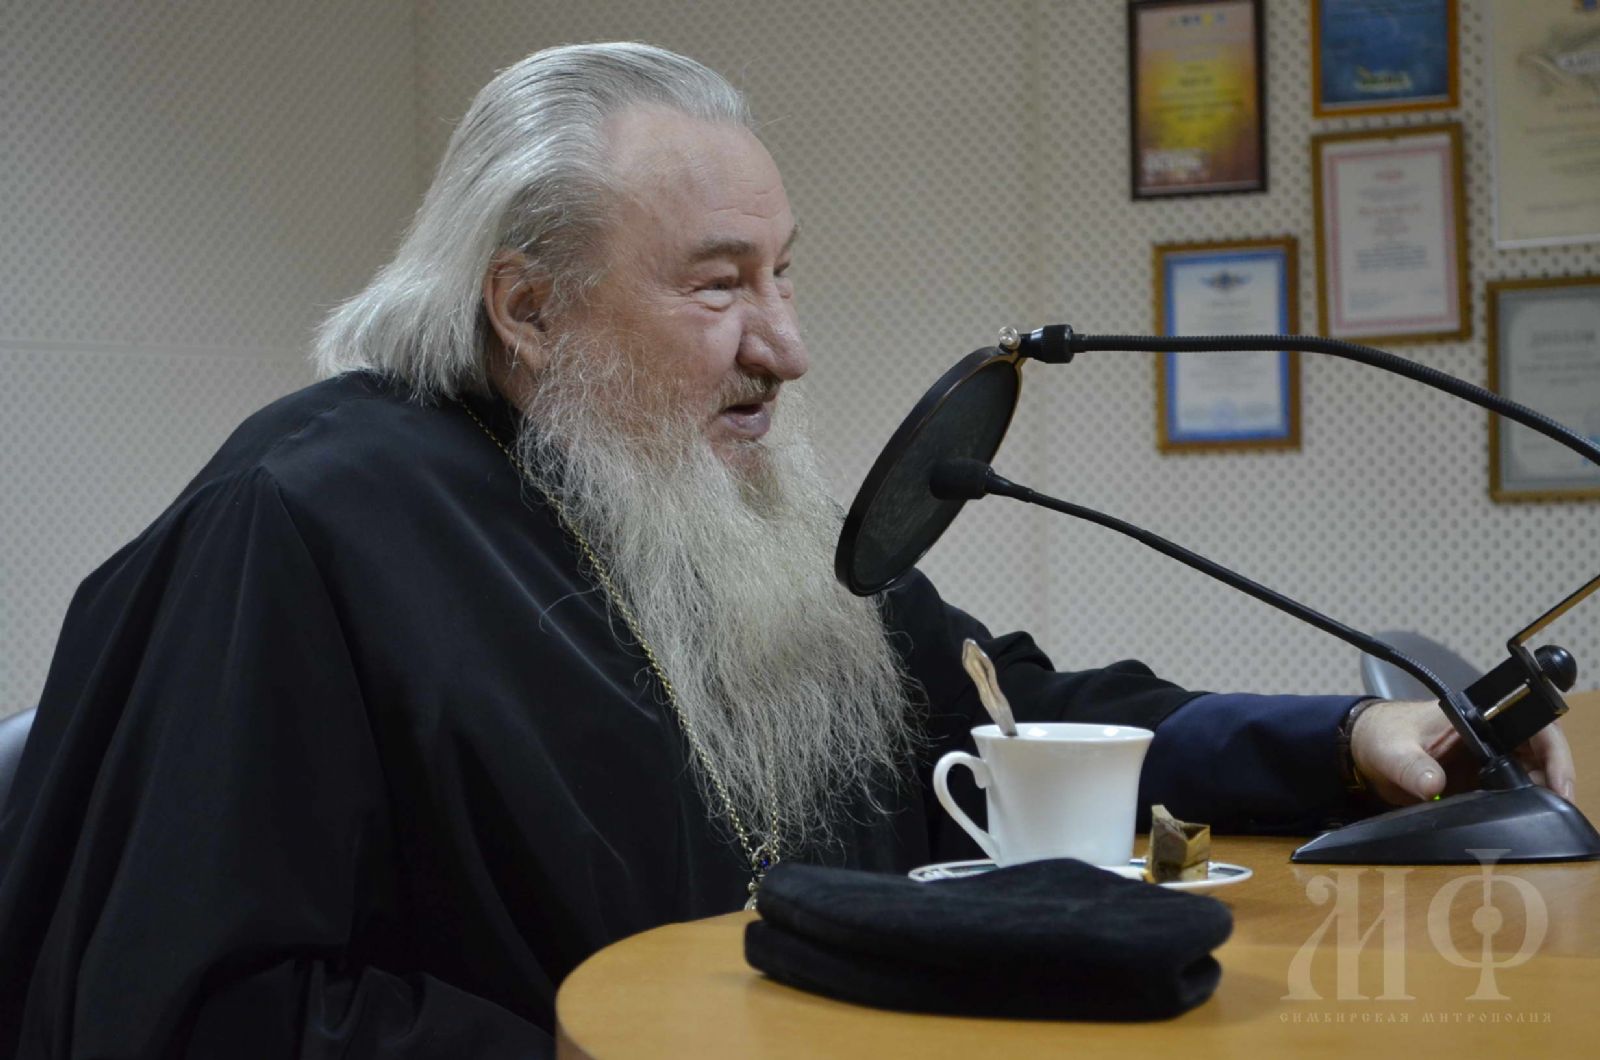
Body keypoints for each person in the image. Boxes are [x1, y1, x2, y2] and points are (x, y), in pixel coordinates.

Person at [0, 42, 1574, 1058]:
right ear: (529, 307)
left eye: (785, 274)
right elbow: (197, 1011)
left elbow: (1011, 719)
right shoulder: (302, 524)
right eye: (718, 285)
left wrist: (1345, 743)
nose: (788, 346)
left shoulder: (699, 492)